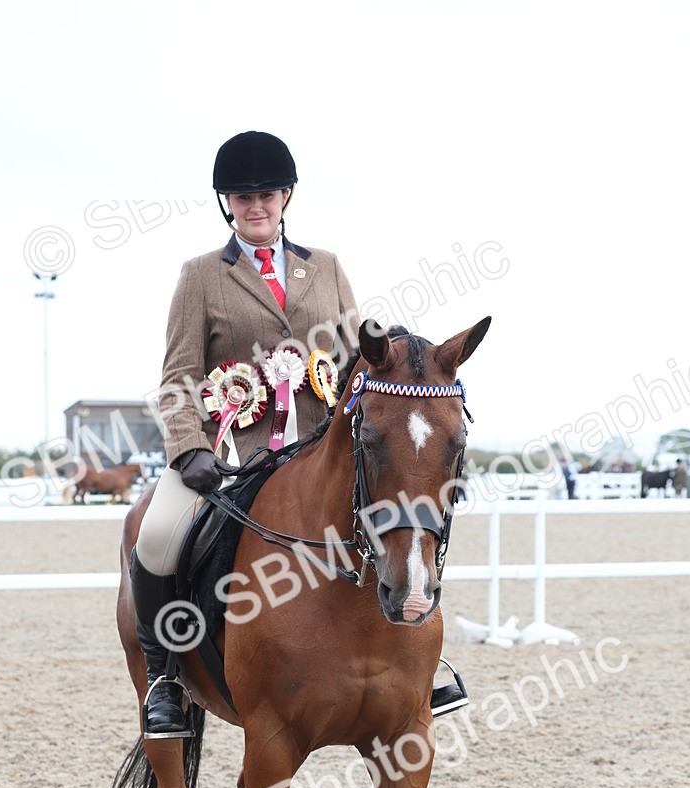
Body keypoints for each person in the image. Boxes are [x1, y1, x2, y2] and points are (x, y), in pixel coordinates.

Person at [131, 130, 469, 735]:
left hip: (320, 450)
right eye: (240, 196)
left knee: (399, 519)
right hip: (229, 456)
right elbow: (177, 377)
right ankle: (165, 679)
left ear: (285, 196)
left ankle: (420, 668)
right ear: (226, 204)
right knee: (155, 535)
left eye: (264, 194)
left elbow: (358, 364)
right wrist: (188, 449)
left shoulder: (329, 269)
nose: (254, 206)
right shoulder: (201, 276)